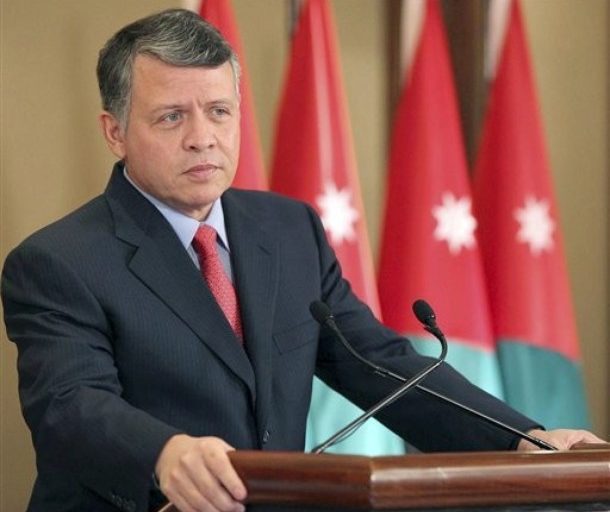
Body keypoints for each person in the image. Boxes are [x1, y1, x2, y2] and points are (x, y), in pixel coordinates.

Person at [1, 8, 603, 512]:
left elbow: (381, 363)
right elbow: (70, 406)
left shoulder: (288, 231)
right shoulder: (57, 262)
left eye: (219, 111)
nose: (202, 137)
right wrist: (164, 454)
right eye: (171, 116)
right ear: (114, 131)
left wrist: (524, 439)